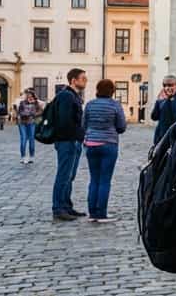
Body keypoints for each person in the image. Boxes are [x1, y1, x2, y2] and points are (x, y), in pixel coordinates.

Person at [82, 80, 127, 223]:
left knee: (94, 179)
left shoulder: (90, 105)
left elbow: (84, 124)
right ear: (112, 91)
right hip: (109, 144)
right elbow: (121, 126)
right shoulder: (115, 105)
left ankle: (92, 212)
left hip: (91, 144)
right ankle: (101, 213)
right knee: (105, 180)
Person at [49, 69, 88, 220]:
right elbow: (65, 121)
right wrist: (79, 135)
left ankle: (67, 206)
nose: (85, 81)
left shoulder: (73, 95)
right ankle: (58, 208)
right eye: (83, 78)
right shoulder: (66, 96)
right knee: (63, 175)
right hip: (66, 140)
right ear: (73, 80)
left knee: (70, 176)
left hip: (73, 140)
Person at [16, 89, 43, 164]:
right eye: (28, 96)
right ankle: (23, 157)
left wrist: (33, 113)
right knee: (23, 139)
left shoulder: (36, 103)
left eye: (31, 96)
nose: (29, 97)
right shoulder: (22, 103)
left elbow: (41, 111)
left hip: (31, 123)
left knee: (31, 139)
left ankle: (31, 156)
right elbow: (20, 112)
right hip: (22, 123)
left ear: (33, 96)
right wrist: (28, 113)